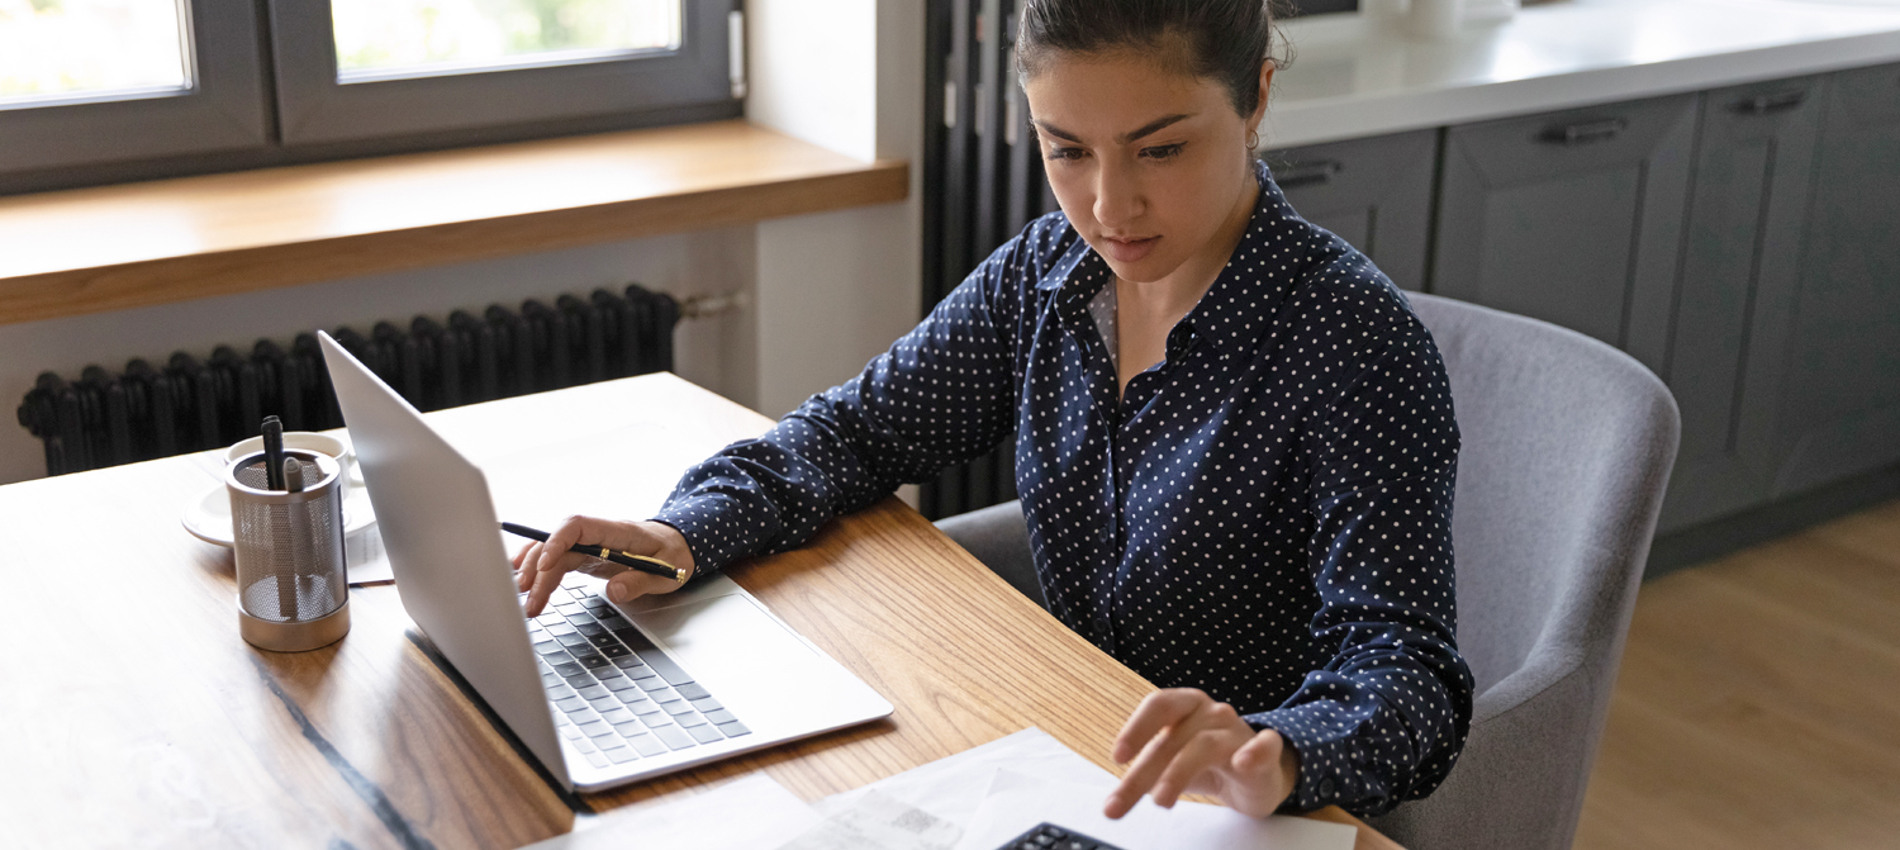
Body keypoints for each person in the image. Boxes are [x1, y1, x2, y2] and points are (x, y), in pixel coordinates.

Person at [513, 0, 1473, 822]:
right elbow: (855, 431)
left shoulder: (1352, 344)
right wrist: (675, 533)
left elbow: (1408, 666)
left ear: (1256, 96)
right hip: (1059, 754)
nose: (1108, 206)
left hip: (1244, 814)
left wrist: (1278, 749)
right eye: (1067, 150)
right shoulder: (1047, 275)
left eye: (1163, 148)